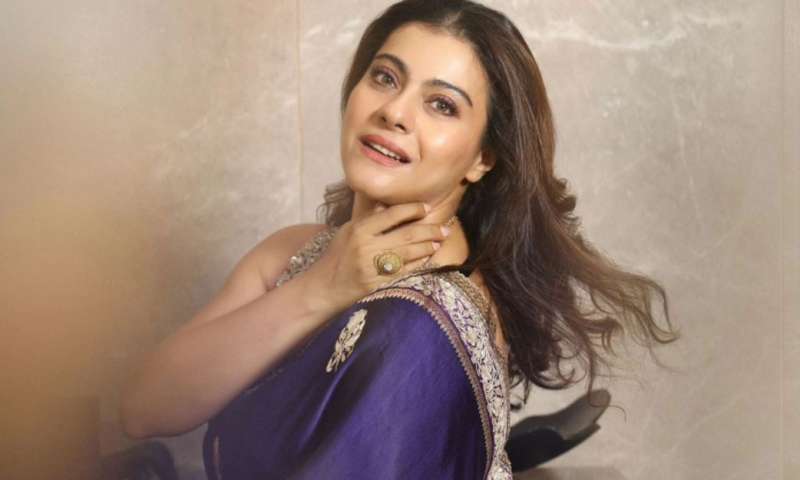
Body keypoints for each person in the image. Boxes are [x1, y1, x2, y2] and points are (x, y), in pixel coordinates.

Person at [120, 1, 678, 478]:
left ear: (483, 158)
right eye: (385, 77)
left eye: (442, 105)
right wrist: (321, 287)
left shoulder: (427, 325)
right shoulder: (294, 253)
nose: (393, 112)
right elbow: (145, 409)